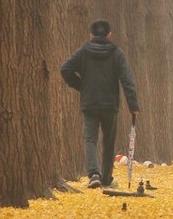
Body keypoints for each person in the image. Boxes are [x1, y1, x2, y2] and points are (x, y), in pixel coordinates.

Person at [60, 19, 141, 189]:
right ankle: (106, 178)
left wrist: (81, 85)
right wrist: (133, 105)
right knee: (109, 141)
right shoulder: (117, 53)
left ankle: (94, 174)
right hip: (110, 104)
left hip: (89, 103)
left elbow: (65, 68)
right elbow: (127, 80)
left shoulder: (83, 52)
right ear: (110, 34)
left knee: (90, 139)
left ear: (91, 35)